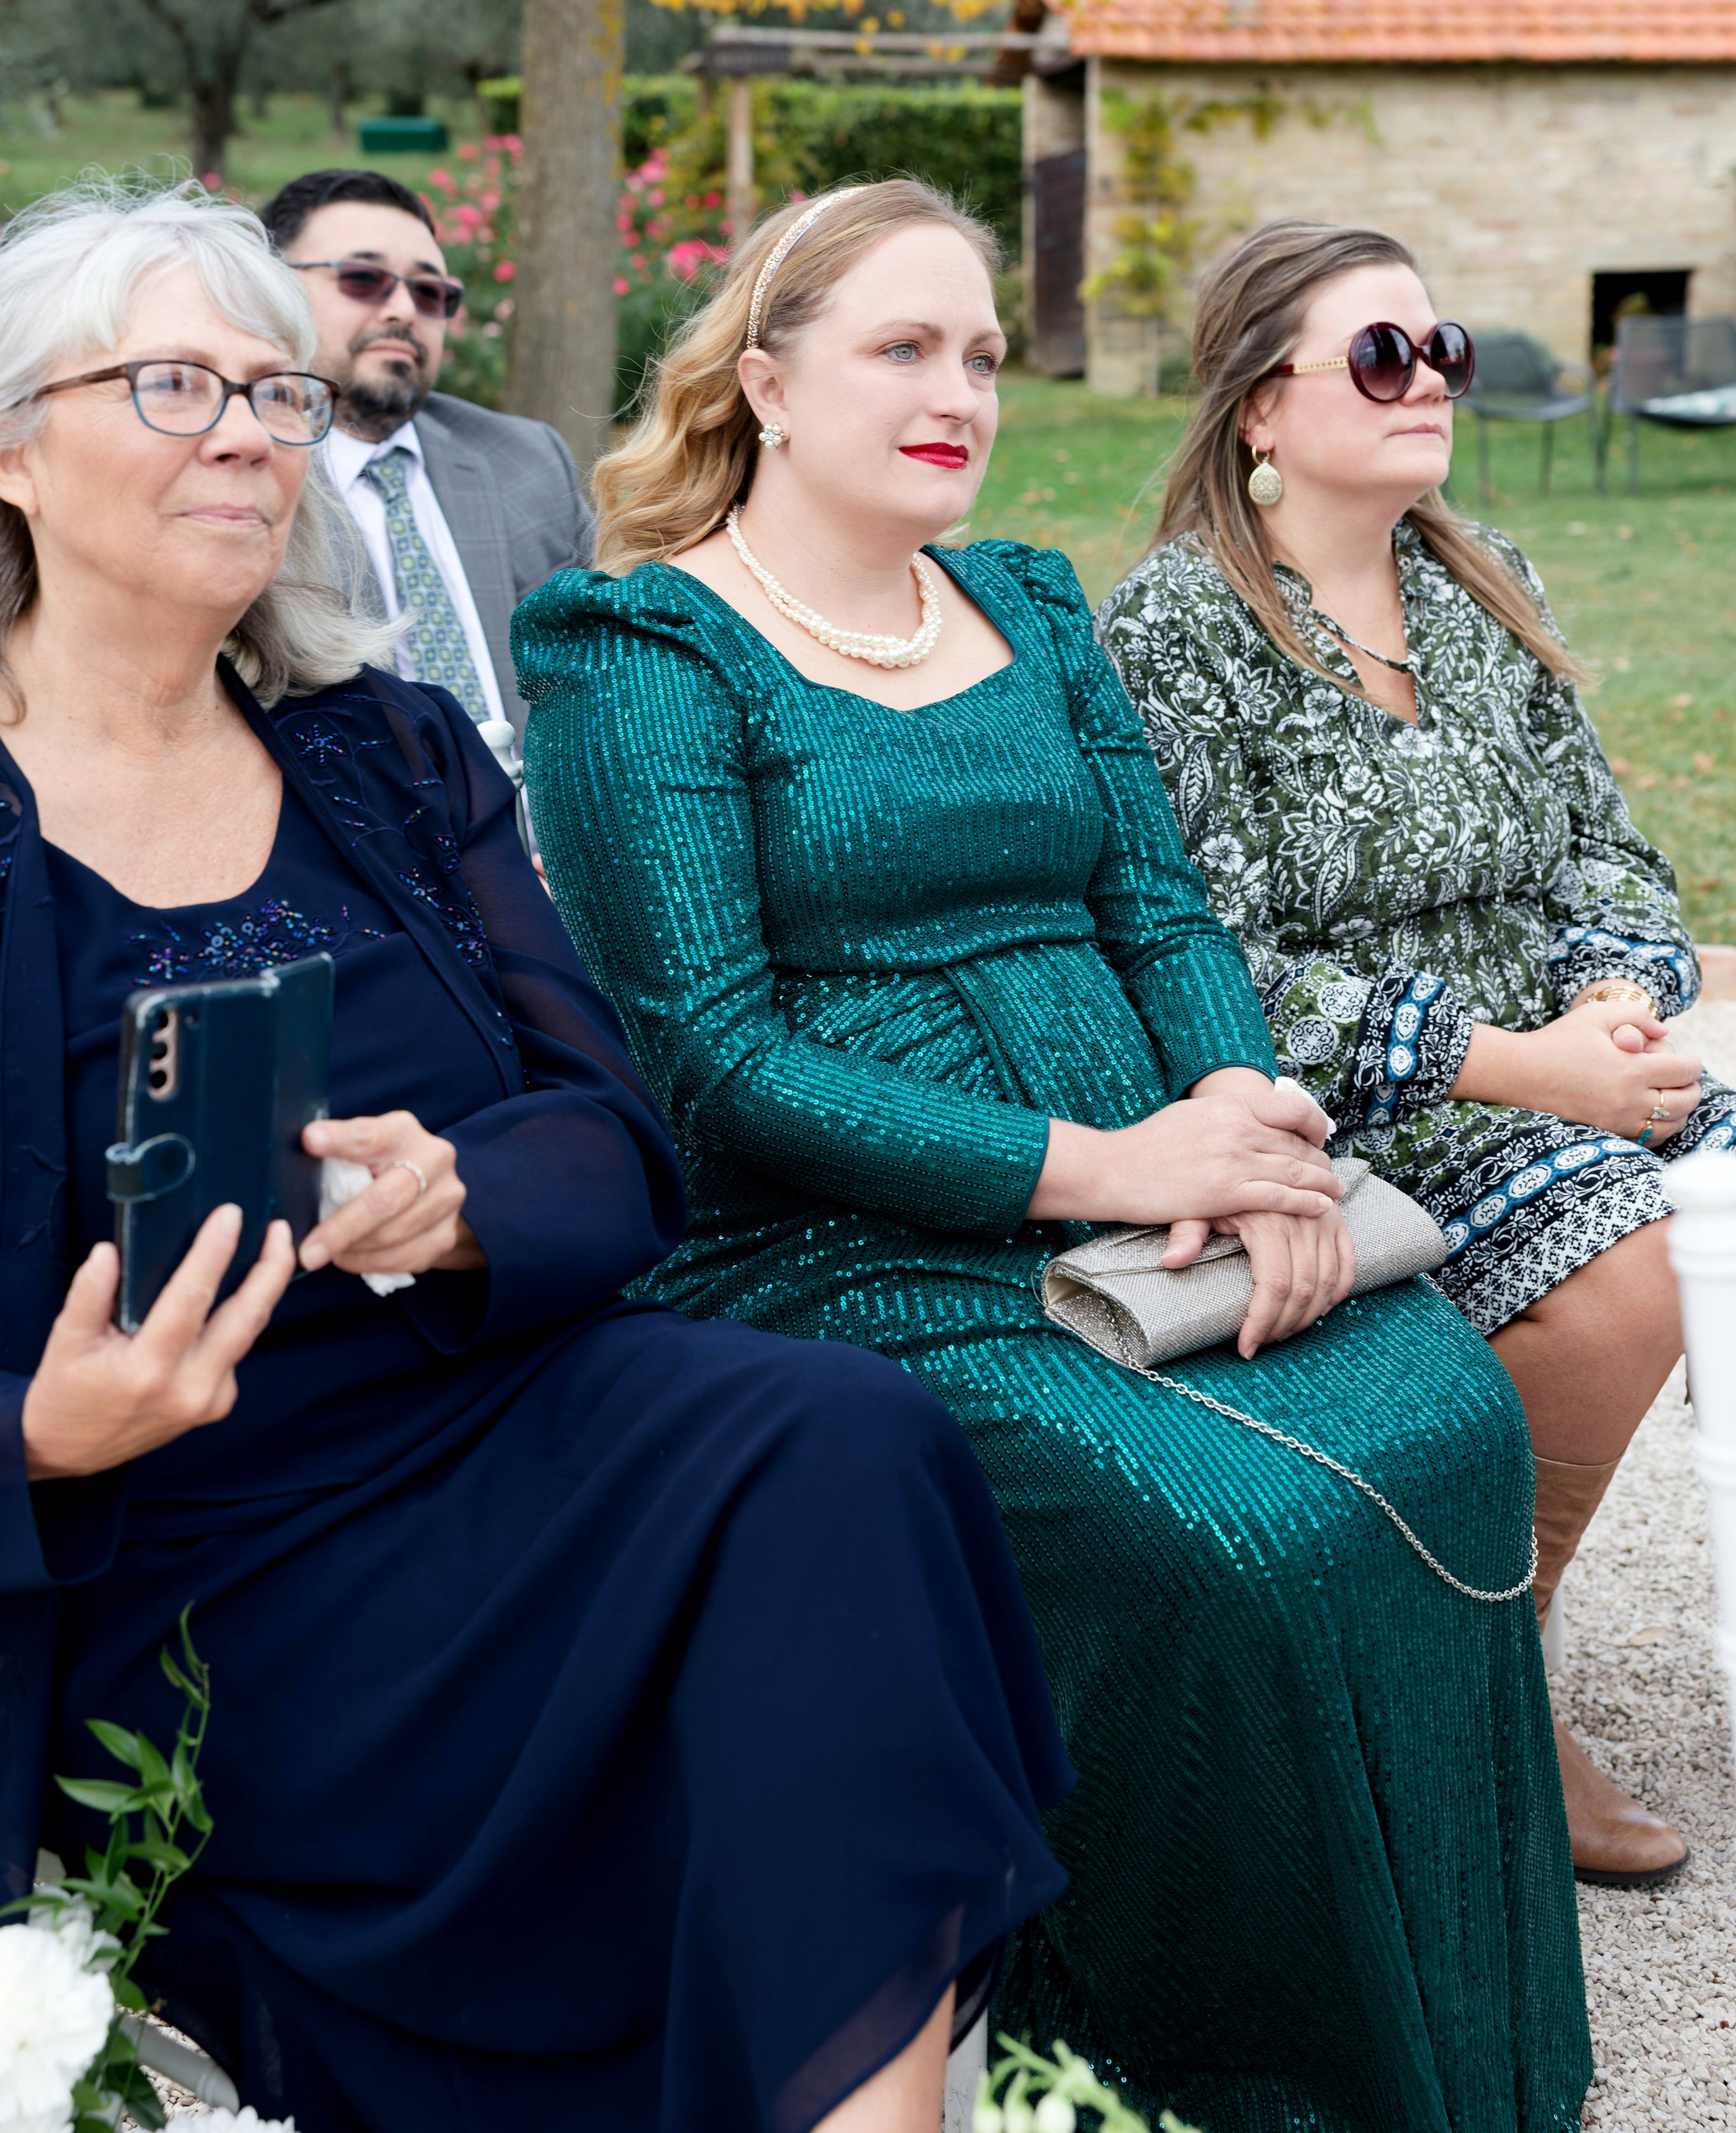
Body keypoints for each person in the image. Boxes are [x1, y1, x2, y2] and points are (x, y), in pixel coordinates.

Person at [514, 178, 1594, 2133]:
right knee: (1230, 1533)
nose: (962, 392)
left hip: (1163, 1162)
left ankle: (1466, 2067)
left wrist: (1257, 1131)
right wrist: (1114, 1172)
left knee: (1448, 1409)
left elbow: (1166, 910)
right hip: (850, 1241)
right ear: (766, 380)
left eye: (986, 355)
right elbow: (725, 1063)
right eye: (902, 350)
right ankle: (1183, 2082)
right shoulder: (638, 655)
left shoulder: (1018, 598)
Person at [0, 180, 1072, 2133]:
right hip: (191, 1554)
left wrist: (469, 1203)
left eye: (274, 390)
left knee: (840, 1436)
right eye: (173, 384)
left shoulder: (387, 755)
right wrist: (41, 1436)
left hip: (506, 1414)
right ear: (11, 443)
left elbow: (618, 1131)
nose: (249, 429)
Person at [1095, 216, 1727, 1890]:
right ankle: (1488, 1658)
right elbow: (1216, 965)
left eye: (1436, 348)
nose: (1425, 380)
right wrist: (1521, 1065)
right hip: (1353, 1101)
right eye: (1380, 354)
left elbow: (1604, 845)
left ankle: (1471, 1646)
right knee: (1626, 1252)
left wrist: (1615, 1001)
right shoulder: (1178, 632)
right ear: (1255, 405)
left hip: (1561, 1052)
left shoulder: (1482, 572)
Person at [258, 168, 593, 740]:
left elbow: (612, 663)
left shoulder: (524, 459)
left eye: (430, 292)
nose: (404, 309)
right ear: (268, 293)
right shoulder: (242, 469)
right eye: (364, 279)